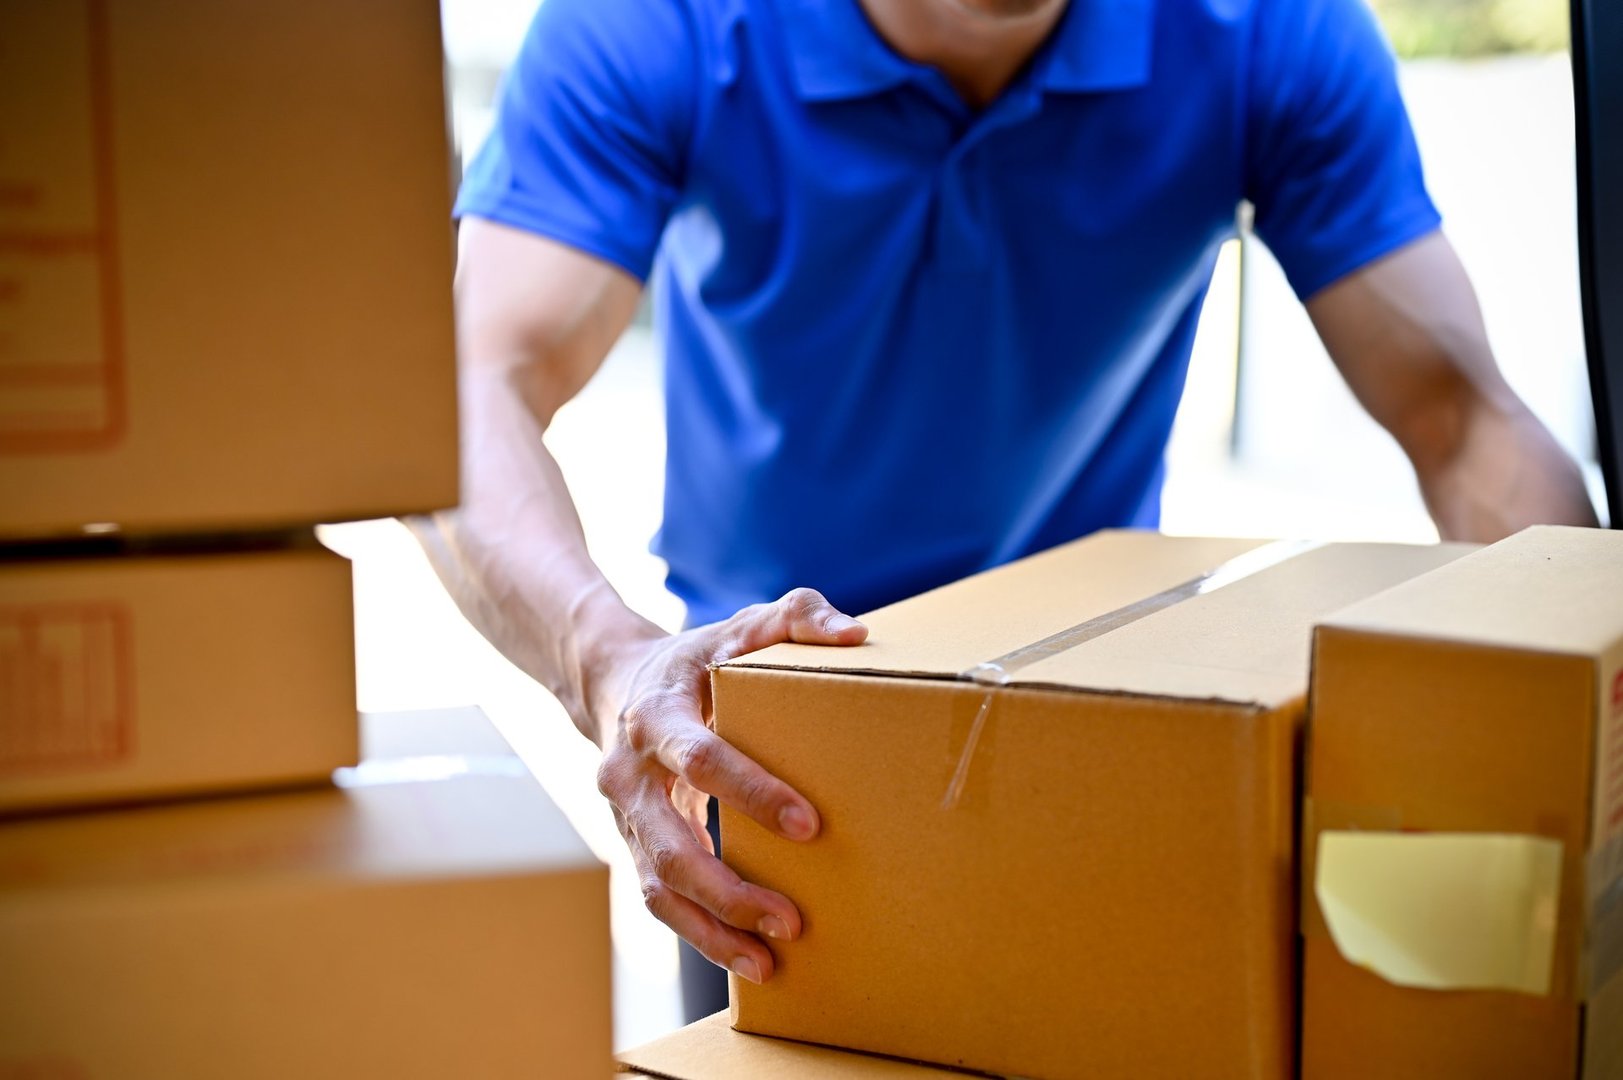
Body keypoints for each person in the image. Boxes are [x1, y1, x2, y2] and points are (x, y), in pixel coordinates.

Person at [416, 0, 1598, 1023]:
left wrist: (1592, 731)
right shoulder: (659, 24)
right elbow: (462, 394)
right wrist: (614, 669)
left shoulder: (1261, 30)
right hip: (764, 764)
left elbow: (1461, 416)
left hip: (1106, 743)